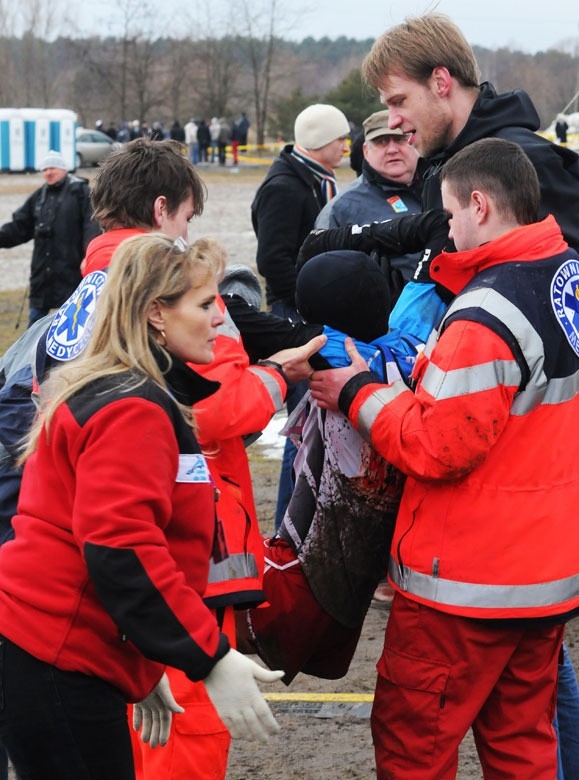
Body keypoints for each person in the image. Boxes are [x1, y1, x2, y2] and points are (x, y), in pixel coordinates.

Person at [310, 137, 579, 779]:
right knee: (523, 744)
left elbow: (437, 446)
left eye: (452, 215)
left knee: (414, 746)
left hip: (464, 584)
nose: (448, 231)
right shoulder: (566, 277)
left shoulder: (487, 312)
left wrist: (355, 391)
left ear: (480, 205)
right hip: (545, 576)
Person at [0, 232, 291, 779]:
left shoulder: (117, 388)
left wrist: (141, 656)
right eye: (205, 305)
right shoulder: (133, 407)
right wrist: (206, 656)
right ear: (157, 314)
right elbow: (121, 548)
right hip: (57, 654)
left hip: (55, 648)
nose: (218, 321)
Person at [251, 103, 349, 529]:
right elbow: (272, 259)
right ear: (320, 141)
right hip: (294, 311)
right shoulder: (285, 187)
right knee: (302, 418)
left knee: (314, 413)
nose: (347, 145)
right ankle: (286, 530)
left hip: (307, 307)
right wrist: (306, 305)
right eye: (340, 138)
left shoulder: (312, 179)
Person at [0, 150, 101, 326]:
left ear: (64, 169)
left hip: (71, 274)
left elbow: (91, 226)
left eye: (52, 167)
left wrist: (89, 256)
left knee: (72, 326)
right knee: (35, 327)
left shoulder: (81, 193)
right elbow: (19, 227)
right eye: (45, 169)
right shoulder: (39, 197)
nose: (48, 172)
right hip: (42, 276)